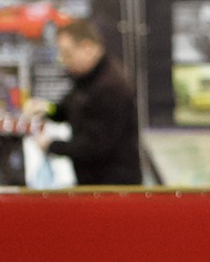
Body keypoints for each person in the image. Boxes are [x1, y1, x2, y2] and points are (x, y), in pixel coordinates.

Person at [34, 20, 142, 186]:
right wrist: (47, 110)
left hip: (112, 186)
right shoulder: (87, 78)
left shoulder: (111, 87)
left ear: (88, 48)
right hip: (92, 180)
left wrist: (52, 146)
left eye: (67, 54)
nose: (64, 60)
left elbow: (96, 145)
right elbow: (69, 108)